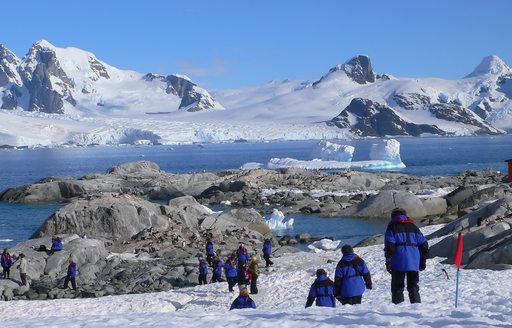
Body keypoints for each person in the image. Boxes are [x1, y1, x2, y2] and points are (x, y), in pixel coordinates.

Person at [384, 208, 429, 304]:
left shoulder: (392, 227)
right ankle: (416, 306)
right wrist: (422, 260)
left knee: (397, 287)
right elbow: (424, 245)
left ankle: (399, 307)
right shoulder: (414, 227)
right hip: (414, 261)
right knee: (413, 286)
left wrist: (388, 261)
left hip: (398, 261)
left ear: (393, 216)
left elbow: (390, 246)